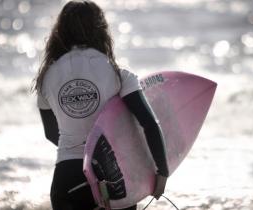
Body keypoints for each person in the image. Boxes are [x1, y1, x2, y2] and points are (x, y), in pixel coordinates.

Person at [32, 1, 169, 210]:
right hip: (113, 176)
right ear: (101, 29)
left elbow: (51, 133)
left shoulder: (46, 77)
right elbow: (149, 124)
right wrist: (162, 171)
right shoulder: (118, 75)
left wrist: (79, 146)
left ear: (61, 31)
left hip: (67, 178)